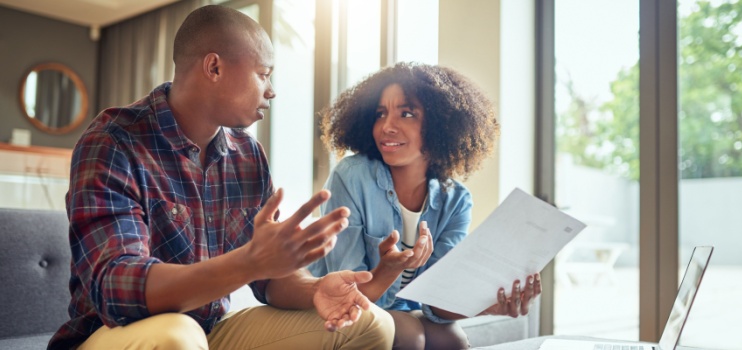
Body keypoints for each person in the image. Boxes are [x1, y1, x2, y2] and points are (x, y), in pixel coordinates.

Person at [48, 5, 393, 350]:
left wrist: (315, 288)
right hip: (113, 333)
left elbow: (270, 279)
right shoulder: (114, 141)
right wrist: (248, 261)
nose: (271, 90)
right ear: (214, 67)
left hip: (209, 331)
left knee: (371, 324)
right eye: (263, 73)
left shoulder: (248, 154)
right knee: (176, 337)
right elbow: (116, 288)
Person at [308, 62, 542, 350]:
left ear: (441, 125)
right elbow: (351, 292)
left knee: (450, 337)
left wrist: (488, 305)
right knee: (409, 332)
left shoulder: (455, 200)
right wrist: (389, 270)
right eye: (380, 114)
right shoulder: (351, 176)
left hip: (400, 311)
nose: (387, 126)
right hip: (338, 305)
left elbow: (436, 303)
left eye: (406, 114)